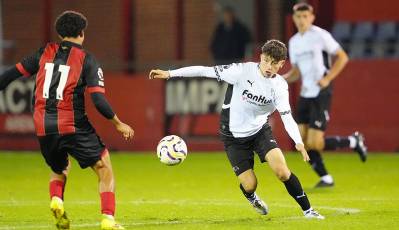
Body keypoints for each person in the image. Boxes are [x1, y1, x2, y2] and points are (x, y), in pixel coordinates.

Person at [150, 39, 324, 219]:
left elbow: (287, 116)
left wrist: (298, 142)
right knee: (250, 184)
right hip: (232, 136)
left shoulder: (280, 86)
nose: (268, 66)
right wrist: (170, 74)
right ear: (261, 57)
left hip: (259, 131)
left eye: (274, 63)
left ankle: (308, 211)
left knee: (282, 171)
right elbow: (204, 70)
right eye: (266, 60)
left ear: (281, 64)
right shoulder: (241, 71)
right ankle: (251, 197)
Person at [0, 11, 134, 230]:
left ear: (60, 33)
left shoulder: (44, 52)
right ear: (82, 33)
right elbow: (98, 100)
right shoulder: (87, 59)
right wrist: (118, 123)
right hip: (73, 124)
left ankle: (57, 200)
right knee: (103, 166)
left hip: (43, 125)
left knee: (59, 166)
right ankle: (108, 220)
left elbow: (9, 75)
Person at [284, 3, 367, 188]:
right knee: (302, 141)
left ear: (312, 17)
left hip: (321, 92)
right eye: (298, 16)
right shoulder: (294, 41)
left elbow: (342, 56)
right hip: (305, 94)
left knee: (315, 142)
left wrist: (328, 78)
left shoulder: (320, 35)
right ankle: (326, 178)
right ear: (294, 18)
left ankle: (354, 141)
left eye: (305, 16)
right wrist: (280, 79)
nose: (302, 20)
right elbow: (296, 72)